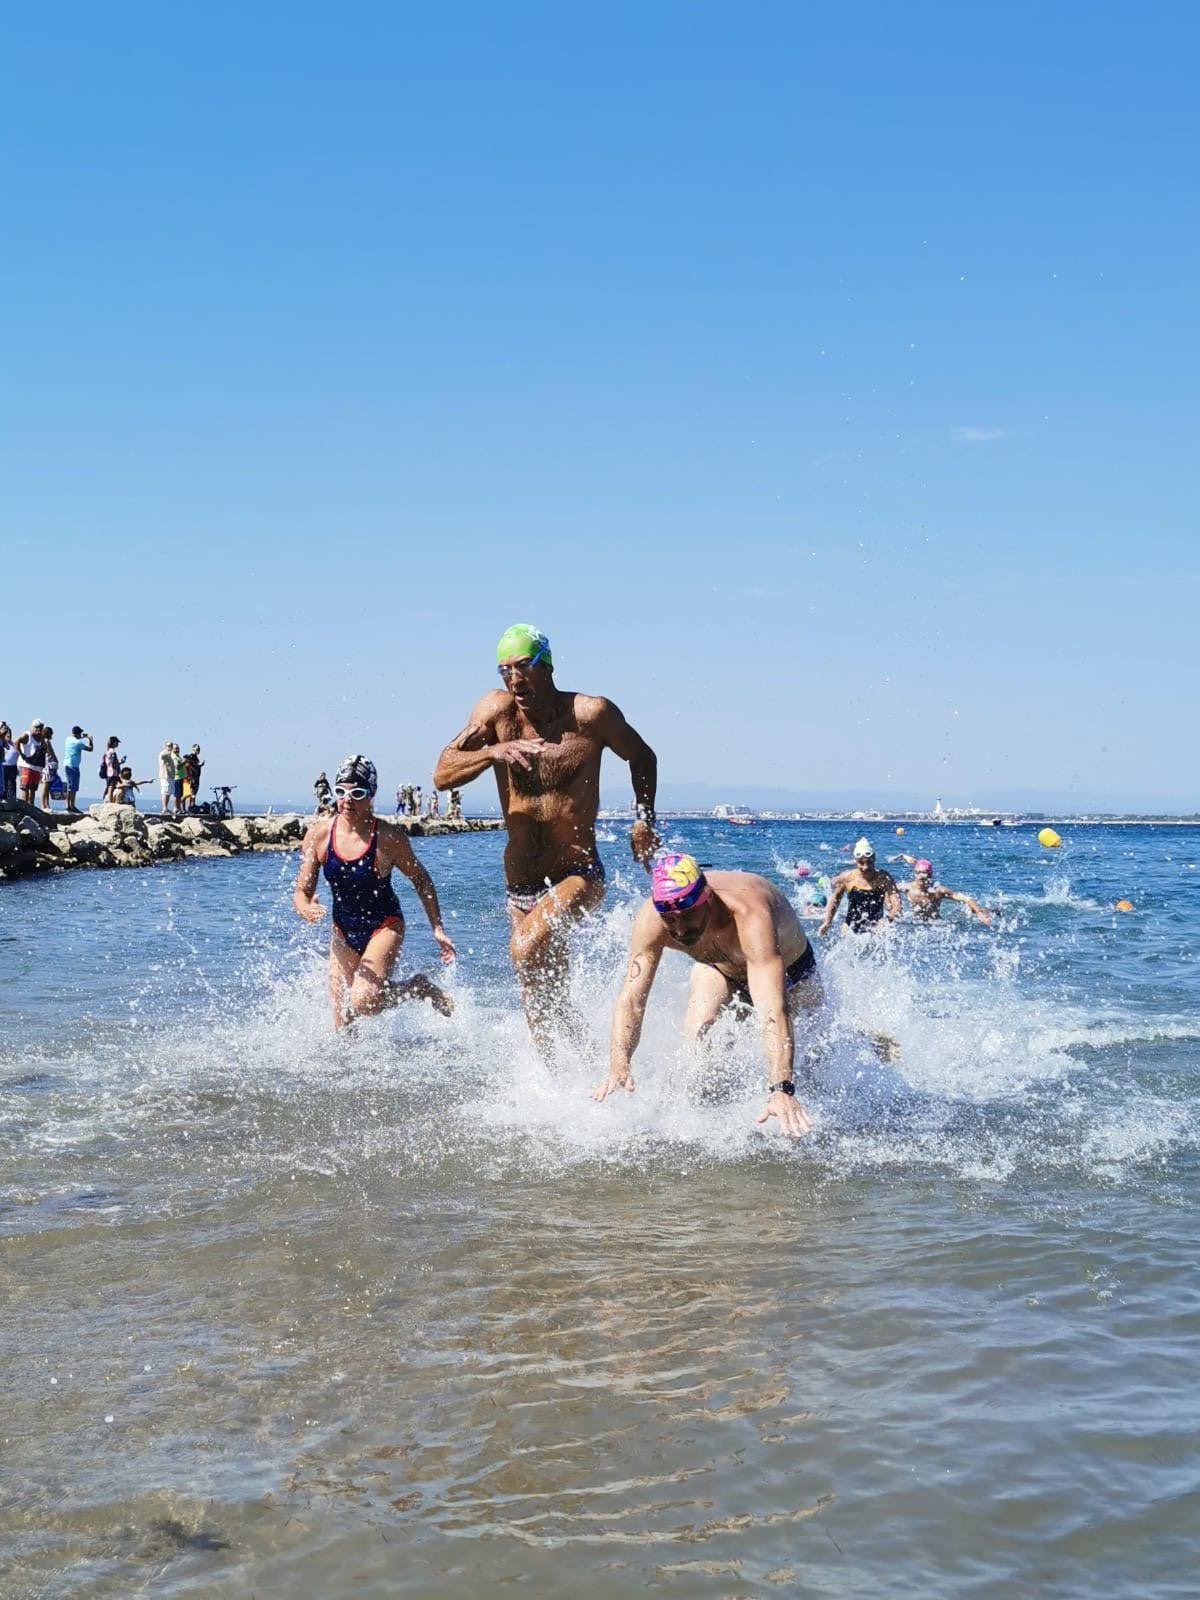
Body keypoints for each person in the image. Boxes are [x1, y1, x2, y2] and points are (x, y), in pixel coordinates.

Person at [433, 623, 661, 1052]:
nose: (514, 680)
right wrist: (490, 752)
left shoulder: (591, 715)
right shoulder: (494, 714)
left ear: (547, 665)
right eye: (504, 670)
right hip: (519, 881)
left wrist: (643, 818)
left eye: (523, 667)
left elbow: (642, 756)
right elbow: (442, 772)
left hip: (577, 873)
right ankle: (565, 1074)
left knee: (524, 949)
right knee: (539, 994)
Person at [593, 853, 818, 1138]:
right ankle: (702, 1118)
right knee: (698, 1033)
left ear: (707, 897)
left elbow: (773, 1008)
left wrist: (781, 1088)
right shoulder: (653, 919)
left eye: (687, 916)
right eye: (670, 919)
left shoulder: (750, 916)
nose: (680, 929)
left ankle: (789, 1102)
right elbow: (632, 998)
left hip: (793, 974)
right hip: (720, 967)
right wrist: (619, 1062)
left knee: (811, 1060)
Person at [293, 755, 456, 1029]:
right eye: (341, 791)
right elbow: (302, 890)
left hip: (384, 926)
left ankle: (417, 988)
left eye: (357, 793)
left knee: (363, 1002)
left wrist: (437, 928)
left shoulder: (389, 838)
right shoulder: (319, 836)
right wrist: (305, 907)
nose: (347, 800)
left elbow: (422, 880)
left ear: (372, 795)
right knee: (341, 1025)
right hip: (342, 931)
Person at [818, 838, 901, 936]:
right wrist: (827, 922)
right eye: (861, 863)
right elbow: (835, 899)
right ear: (855, 861)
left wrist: (887, 920)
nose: (865, 867)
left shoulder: (884, 878)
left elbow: (897, 905)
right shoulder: (847, 877)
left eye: (869, 862)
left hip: (876, 929)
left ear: (874, 859)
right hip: (849, 929)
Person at [897, 856, 992, 925]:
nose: (921, 877)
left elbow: (966, 898)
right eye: (918, 873)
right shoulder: (907, 887)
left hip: (936, 923)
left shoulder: (938, 890)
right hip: (916, 923)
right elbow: (886, 888)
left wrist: (979, 912)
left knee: (973, 909)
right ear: (914, 874)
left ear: (930, 875)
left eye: (924, 874)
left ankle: (990, 911)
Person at [62, 726, 94, 813]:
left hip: (67, 764)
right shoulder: (78, 743)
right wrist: (90, 739)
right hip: (73, 766)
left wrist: (84, 736)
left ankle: (68, 805)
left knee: (70, 786)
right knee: (73, 787)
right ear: (77, 733)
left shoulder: (68, 739)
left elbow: (76, 737)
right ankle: (72, 805)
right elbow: (91, 749)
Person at [17, 722, 47, 806]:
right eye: (37, 727)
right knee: (25, 788)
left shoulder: (41, 738)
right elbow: (17, 741)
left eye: (40, 728)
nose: (38, 729)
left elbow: (45, 749)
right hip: (26, 766)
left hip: (36, 768)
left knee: (33, 789)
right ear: (32, 727)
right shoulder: (28, 735)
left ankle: (31, 806)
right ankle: (24, 806)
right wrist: (21, 754)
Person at [38, 727, 60, 811]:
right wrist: (56, 759)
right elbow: (51, 752)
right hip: (48, 765)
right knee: (45, 785)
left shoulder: (41, 741)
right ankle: (43, 805)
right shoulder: (46, 741)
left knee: (47, 785)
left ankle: (46, 804)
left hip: (46, 765)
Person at [100, 736, 122, 804]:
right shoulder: (112, 752)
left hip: (109, 772)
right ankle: (110, 801)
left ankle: (108, 800)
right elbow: (112, 763)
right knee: (111, 787)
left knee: (109, 786)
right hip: (112, 772)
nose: (117, 744)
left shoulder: (108, 751)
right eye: (117, 742)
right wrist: (117, 766)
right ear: (114, 743)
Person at [182, 745, 204, 812]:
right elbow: (187, 765)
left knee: (194, 793)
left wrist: (200, 766)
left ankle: (192, 806)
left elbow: (195, 765)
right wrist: (189, 776)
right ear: (193, 749)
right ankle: (185, 807)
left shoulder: (196, 757)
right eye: (197, 749)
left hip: (196, 777)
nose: (198, 751)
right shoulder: (191, 756)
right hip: (192, 777)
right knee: (190, 793)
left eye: (199, 749)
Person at [0, 723, 18, 802]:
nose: (9, 734)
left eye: (10, 733)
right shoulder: (2, 741)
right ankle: (3, 796)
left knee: (11, 783)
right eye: (7, 733)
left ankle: (11, 798)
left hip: (12, 766)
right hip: (4, 765)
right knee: (3, 782)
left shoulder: (13, 744)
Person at [159, 741, 175, 814]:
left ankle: (166, 807)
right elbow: (162, 756)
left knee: (168, 792)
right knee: (165, 791)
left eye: (171, 746)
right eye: (168, 746)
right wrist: (169, 752)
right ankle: (164, 808)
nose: (170, 747)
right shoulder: (164, 753)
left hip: (170, 775)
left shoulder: (171, 754)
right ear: (165, 746)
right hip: (165, 775)